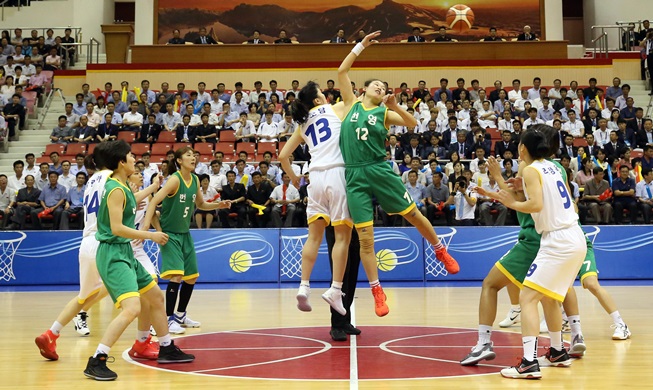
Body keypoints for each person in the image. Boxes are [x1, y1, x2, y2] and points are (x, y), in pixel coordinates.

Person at [337, 31, 459, 317]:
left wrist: (395, 106)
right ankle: (378, 292)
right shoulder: (350, 104)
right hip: (354, 175)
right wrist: (360, 47)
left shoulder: (383, 112)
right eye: (376, 85)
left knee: (413, 214)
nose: (380, 88)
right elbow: (342, 70)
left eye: (383, 87)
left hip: (379, 169)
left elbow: (413, 123)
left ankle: (440, 249)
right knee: (366, 239)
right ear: (365, 90)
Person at [81, 140, 194, 381]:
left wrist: (152, 188)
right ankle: (97, 359)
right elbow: (117, 228)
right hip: (113, 254)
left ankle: (165, 347)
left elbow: (135, 200)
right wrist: (150, 234)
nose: (135, 159)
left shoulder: (122, 185)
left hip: (125, 253)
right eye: (131, 156)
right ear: (121, 162)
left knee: (154, 296)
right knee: (132, 308)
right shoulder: (116, 189)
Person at [485, 128, 586, 379]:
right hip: (574, 236)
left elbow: (536, 205)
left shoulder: (529, 170)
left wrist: (512, 202)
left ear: (521, 149)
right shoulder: (553, 166)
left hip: (557, 240)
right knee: (550, 297)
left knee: (528, 298)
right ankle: (557, 351)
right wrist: (523, 190)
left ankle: (529, 363)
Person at [280, 78, 356, 316]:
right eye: (322, 92)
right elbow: (355, 101)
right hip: (337, 173)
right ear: (317, 99)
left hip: (314, 177)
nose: (326, 94)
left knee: (314, 237)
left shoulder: (302, 125)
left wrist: (294, 177)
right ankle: (335, 289)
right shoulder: (335, 109)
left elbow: (283, 155)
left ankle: (304, 285)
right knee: (342, 237)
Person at [141, 146, 231, 335]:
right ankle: (167, 318)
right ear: (179, 161)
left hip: (185, 234)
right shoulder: (175, 179)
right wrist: (150, 230)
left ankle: (180, 315)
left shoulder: (196, 179)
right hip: (170, 234)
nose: (193, 157)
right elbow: (153, 201)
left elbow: (200, 204)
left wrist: (218, 205)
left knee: (192, 277)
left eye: (194, 154)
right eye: (188, 155)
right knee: (176, 276)